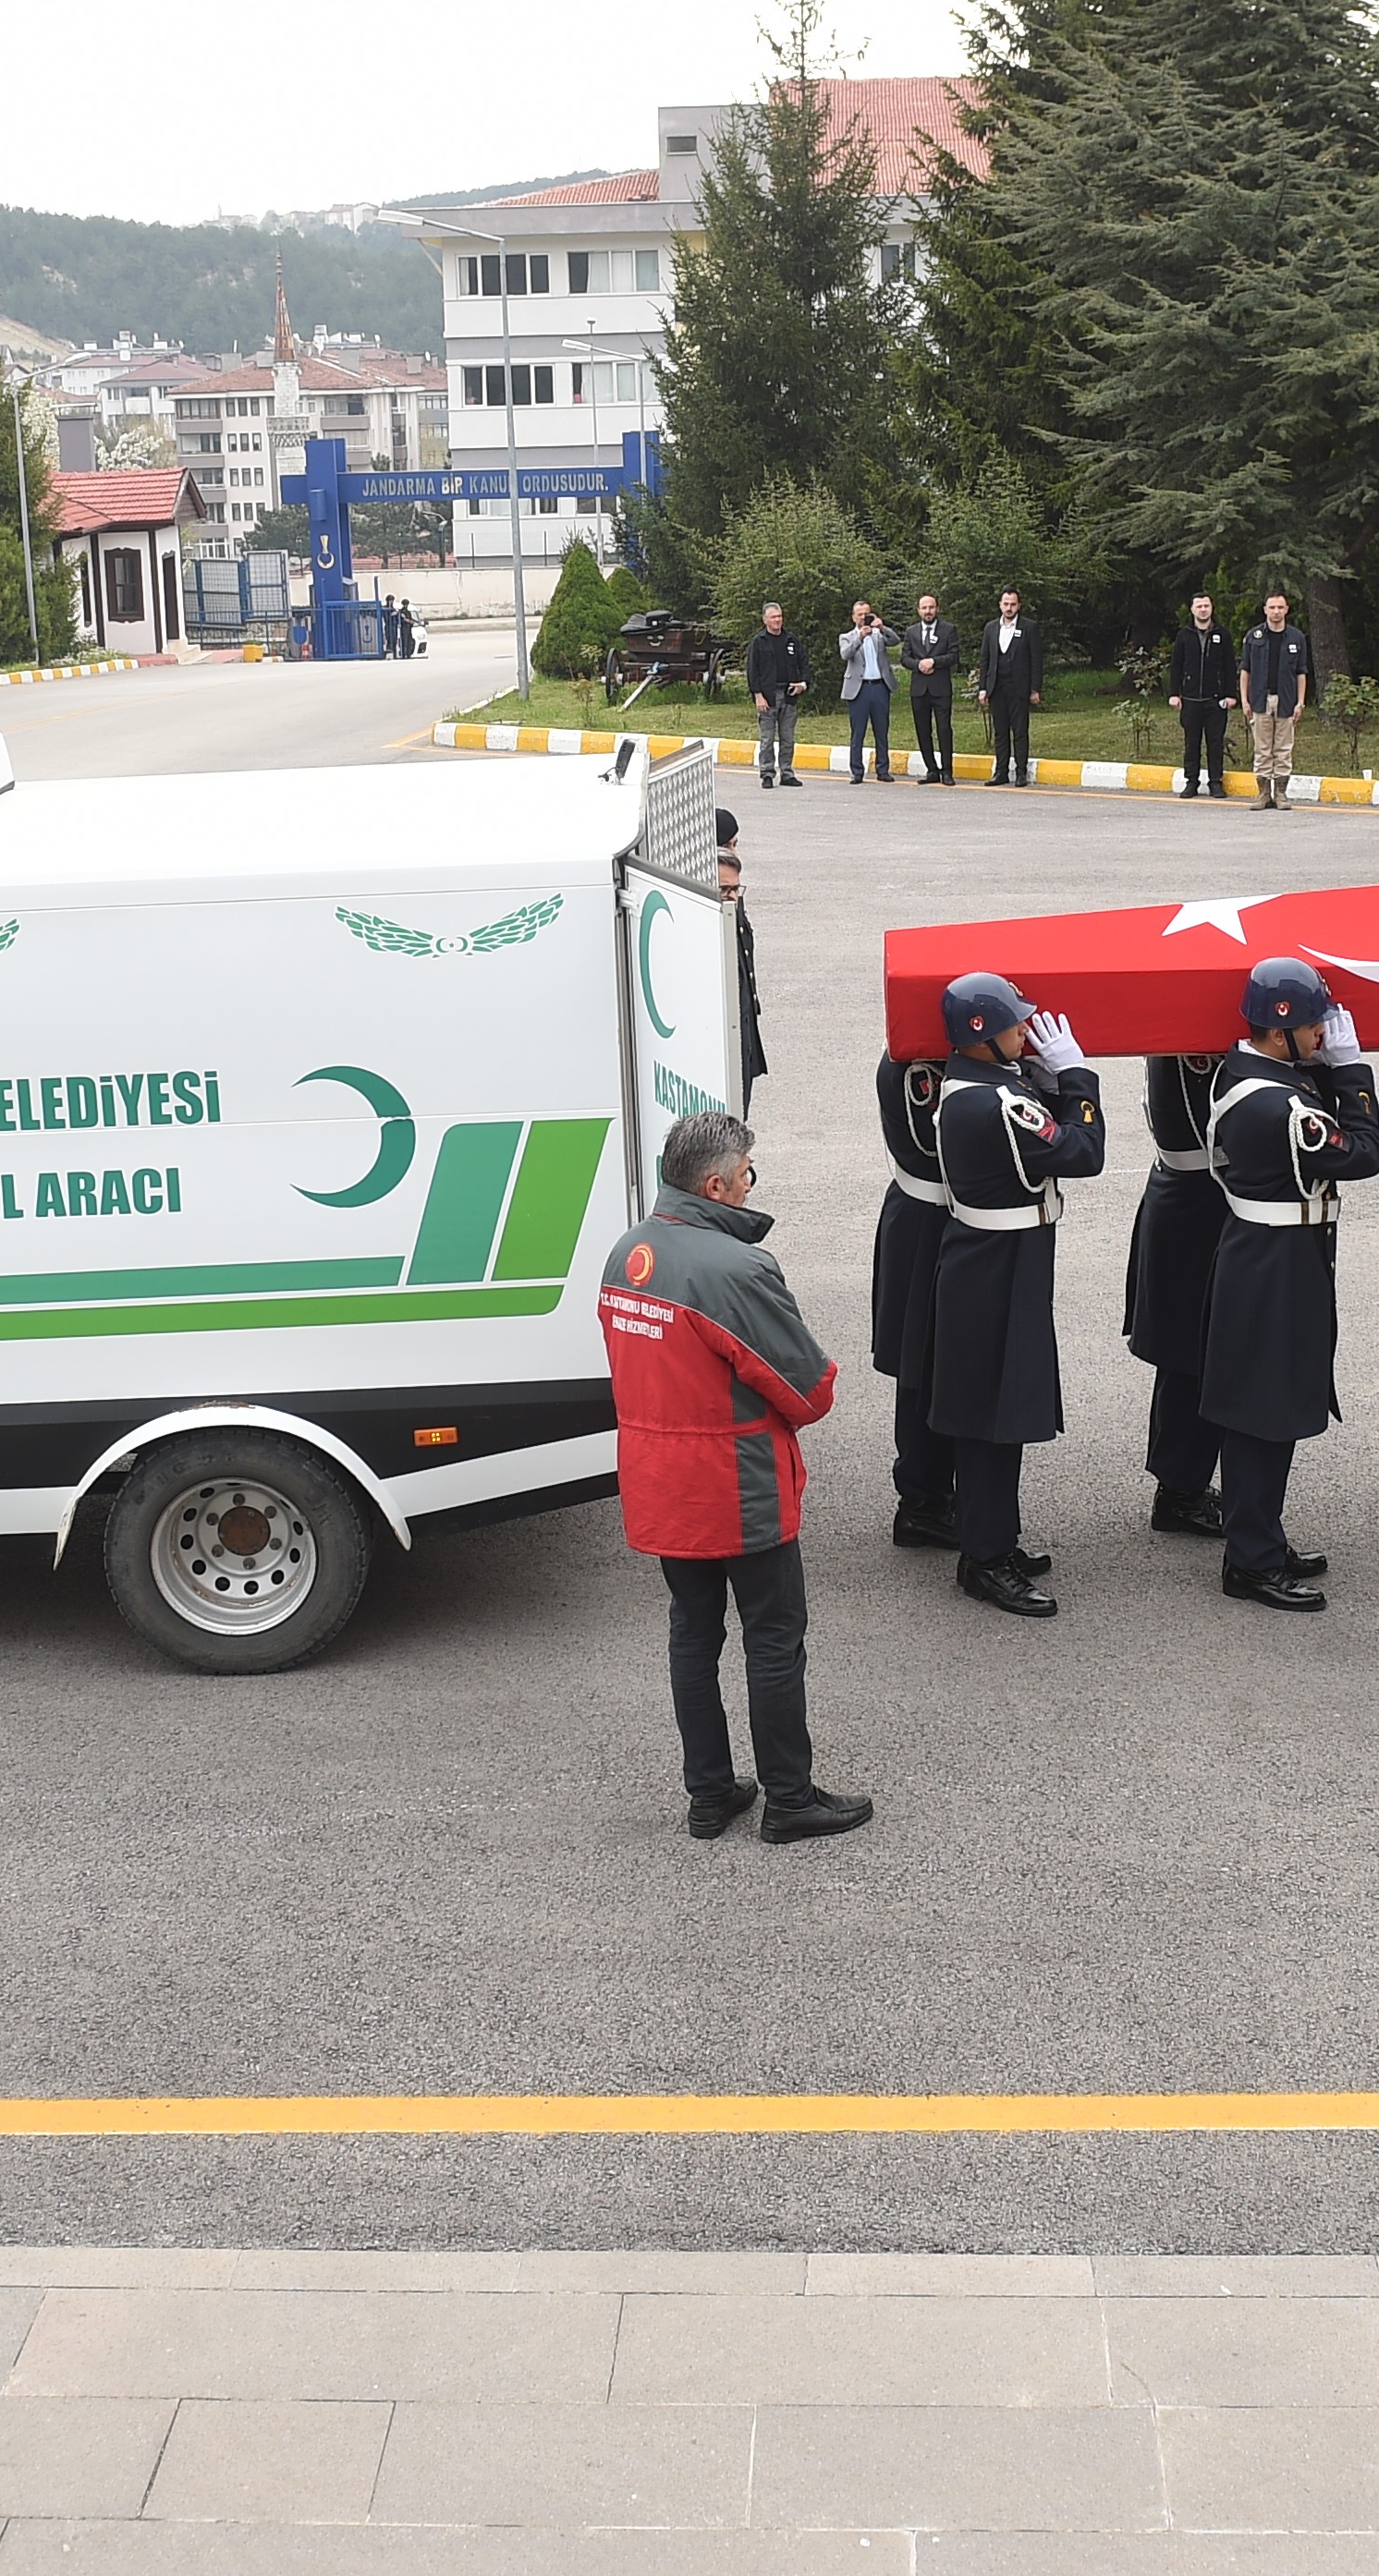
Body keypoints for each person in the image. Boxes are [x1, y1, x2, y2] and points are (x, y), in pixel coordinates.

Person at [597, 1110, 873, 1841]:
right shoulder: (737, 1270)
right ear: (717, 1185)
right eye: (749, 1174)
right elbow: (809, 1392)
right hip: (736, 1488)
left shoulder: (627, 1255)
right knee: (774, 1638)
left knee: (693, 1634)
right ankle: (789, 1798)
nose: (753, 1185)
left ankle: (709, 1794)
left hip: (663, 1484)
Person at [1199, 960, 1379, 1613]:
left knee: (1268, 1404)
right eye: (1313, 1024)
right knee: (1261, 1412)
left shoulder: (1255, 1072)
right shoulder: (1280, 1104)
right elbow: (1364, 1154)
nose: (1323, 1033)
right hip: (1274, 1262)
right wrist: (1353, 1072)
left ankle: (1261, 1538)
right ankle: (1249, 1559)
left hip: (1270, 1253)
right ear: (1279, 1032)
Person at [928, 972, 1107, 1618]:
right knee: (988, 1419)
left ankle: (994, 1539)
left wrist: (1046, 1081)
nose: (1025, 1030)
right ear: (982, 1036)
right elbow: (1084, 1153)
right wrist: (1077, 1082)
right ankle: (984, 1559)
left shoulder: (983, 1083)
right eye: (1014, 1023)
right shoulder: (999, 1101)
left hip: (997, 1260)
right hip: (996, 1266)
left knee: (1000, 1413)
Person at [1122, 1048, 1232, 1541]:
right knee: (1192, 1356)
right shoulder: (1192, 1046)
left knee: (1192, 1355)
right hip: (1199, 1202)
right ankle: (1180, 1491)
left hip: (1188, 1194)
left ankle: (1181, 1485)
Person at [868, 1031, 957, 1552]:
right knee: (921, 1370)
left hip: (932, 1218)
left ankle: (932, 1498)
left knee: (937, 1366)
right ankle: (922, 1503)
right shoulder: (914, 1066)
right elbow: (938, 1147)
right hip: (927, 1222)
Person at [1238, 590, 1312, 809]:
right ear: (1265, 610)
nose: (1276, 611)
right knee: (1262, 748)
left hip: (1286, 701)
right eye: (1272, 607)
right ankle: (1263, 794)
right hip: (1260, 700)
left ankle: (1281, 794)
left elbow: (1301, 672)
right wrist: (1244, 700)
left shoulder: (1296, 638)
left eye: (1280, 607)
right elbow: (1245, 670)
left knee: (1283, 748)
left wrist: (1300, 702)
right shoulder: (1254, 637)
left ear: (1286, 609)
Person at [1168, 593, 1239, 800]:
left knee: (1215, 742)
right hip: (1190, 700)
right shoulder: (1184, 635)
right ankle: (1192, 781)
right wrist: (1174, 694)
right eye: (1199, 606)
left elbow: (1229, 666)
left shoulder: (1222, 635)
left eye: (1206, 605)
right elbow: (1176, 666)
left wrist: (1231, 694)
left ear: (1212, 608)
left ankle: (1215, 782)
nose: (1203, 609)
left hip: (1215, 700)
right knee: (1192, 742)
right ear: (1192, 610)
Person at [714, 844, 767, 1086]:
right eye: (725, 889)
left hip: (743, 1037)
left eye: (736, 889)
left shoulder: (735, 915)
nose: (733, 896)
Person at [982, 588, 1043, 786]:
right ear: (1000, 604)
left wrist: (1035, 689)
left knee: (1020, 731)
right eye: (1006, 604)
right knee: (1000, 731)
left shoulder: (1029, 627)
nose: (1009, 608)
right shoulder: (990, 628)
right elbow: (985, 660)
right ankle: (1001, 772)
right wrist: (983, 687)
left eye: (1013, 604)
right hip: (997, 687)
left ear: (1019, 606)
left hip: (1019, 687)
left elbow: (1036, 660)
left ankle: (1021, 772)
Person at [745, 604, 809, 790]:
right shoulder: (758, 642)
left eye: (780, 616)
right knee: (767, 738)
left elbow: (804, 663)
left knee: (788, 737)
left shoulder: (791, 640)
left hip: (789, 695)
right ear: (765, 620)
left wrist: (803, 684)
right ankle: (766, 773)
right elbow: (752, 671)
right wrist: (758, 695)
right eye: (773, 617)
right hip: (768, 696)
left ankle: (787, 773)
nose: (777, 620)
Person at [836, 601, 897, 786]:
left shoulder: (879, 634)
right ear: (854, 617)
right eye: (860, 614)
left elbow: (895, 641)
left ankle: (882, 769)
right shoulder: (847, 636)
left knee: (881, 730)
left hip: (879, 686)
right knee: (858, 732)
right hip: (858, 689)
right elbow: (845, 654)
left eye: (866, 614)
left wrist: (883, 627)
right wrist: (860, 638)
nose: (863, 617)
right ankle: (857, 771)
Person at [904, 593, 961, 786]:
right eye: (924, 608)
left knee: (944, 729)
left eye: (931, 607)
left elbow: (954, 655)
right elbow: (905, 658)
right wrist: (918, 664)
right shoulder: (911, 632)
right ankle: (931, 770)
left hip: (940, 688)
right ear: (918, 610)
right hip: (919, 689)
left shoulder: (948, 630)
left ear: (937, 608)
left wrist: (934, 661)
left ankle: (947, 771)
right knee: (923, 730)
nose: (928, 611)